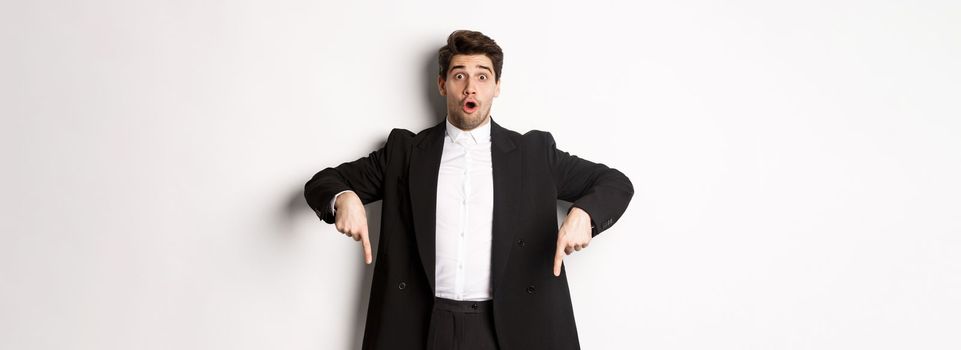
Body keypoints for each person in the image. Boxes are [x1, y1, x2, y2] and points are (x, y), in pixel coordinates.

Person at [304, 29, 634, 350]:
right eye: (459, 76)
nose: (470, 88)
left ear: (497, 87)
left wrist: (585, 214)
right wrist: (343, 198)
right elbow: (323, 182)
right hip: (422, 326)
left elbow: (615, 183)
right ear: (442, 84)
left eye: (482, 76)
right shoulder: (404, 153)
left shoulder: (534, 154)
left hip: (510, 327)